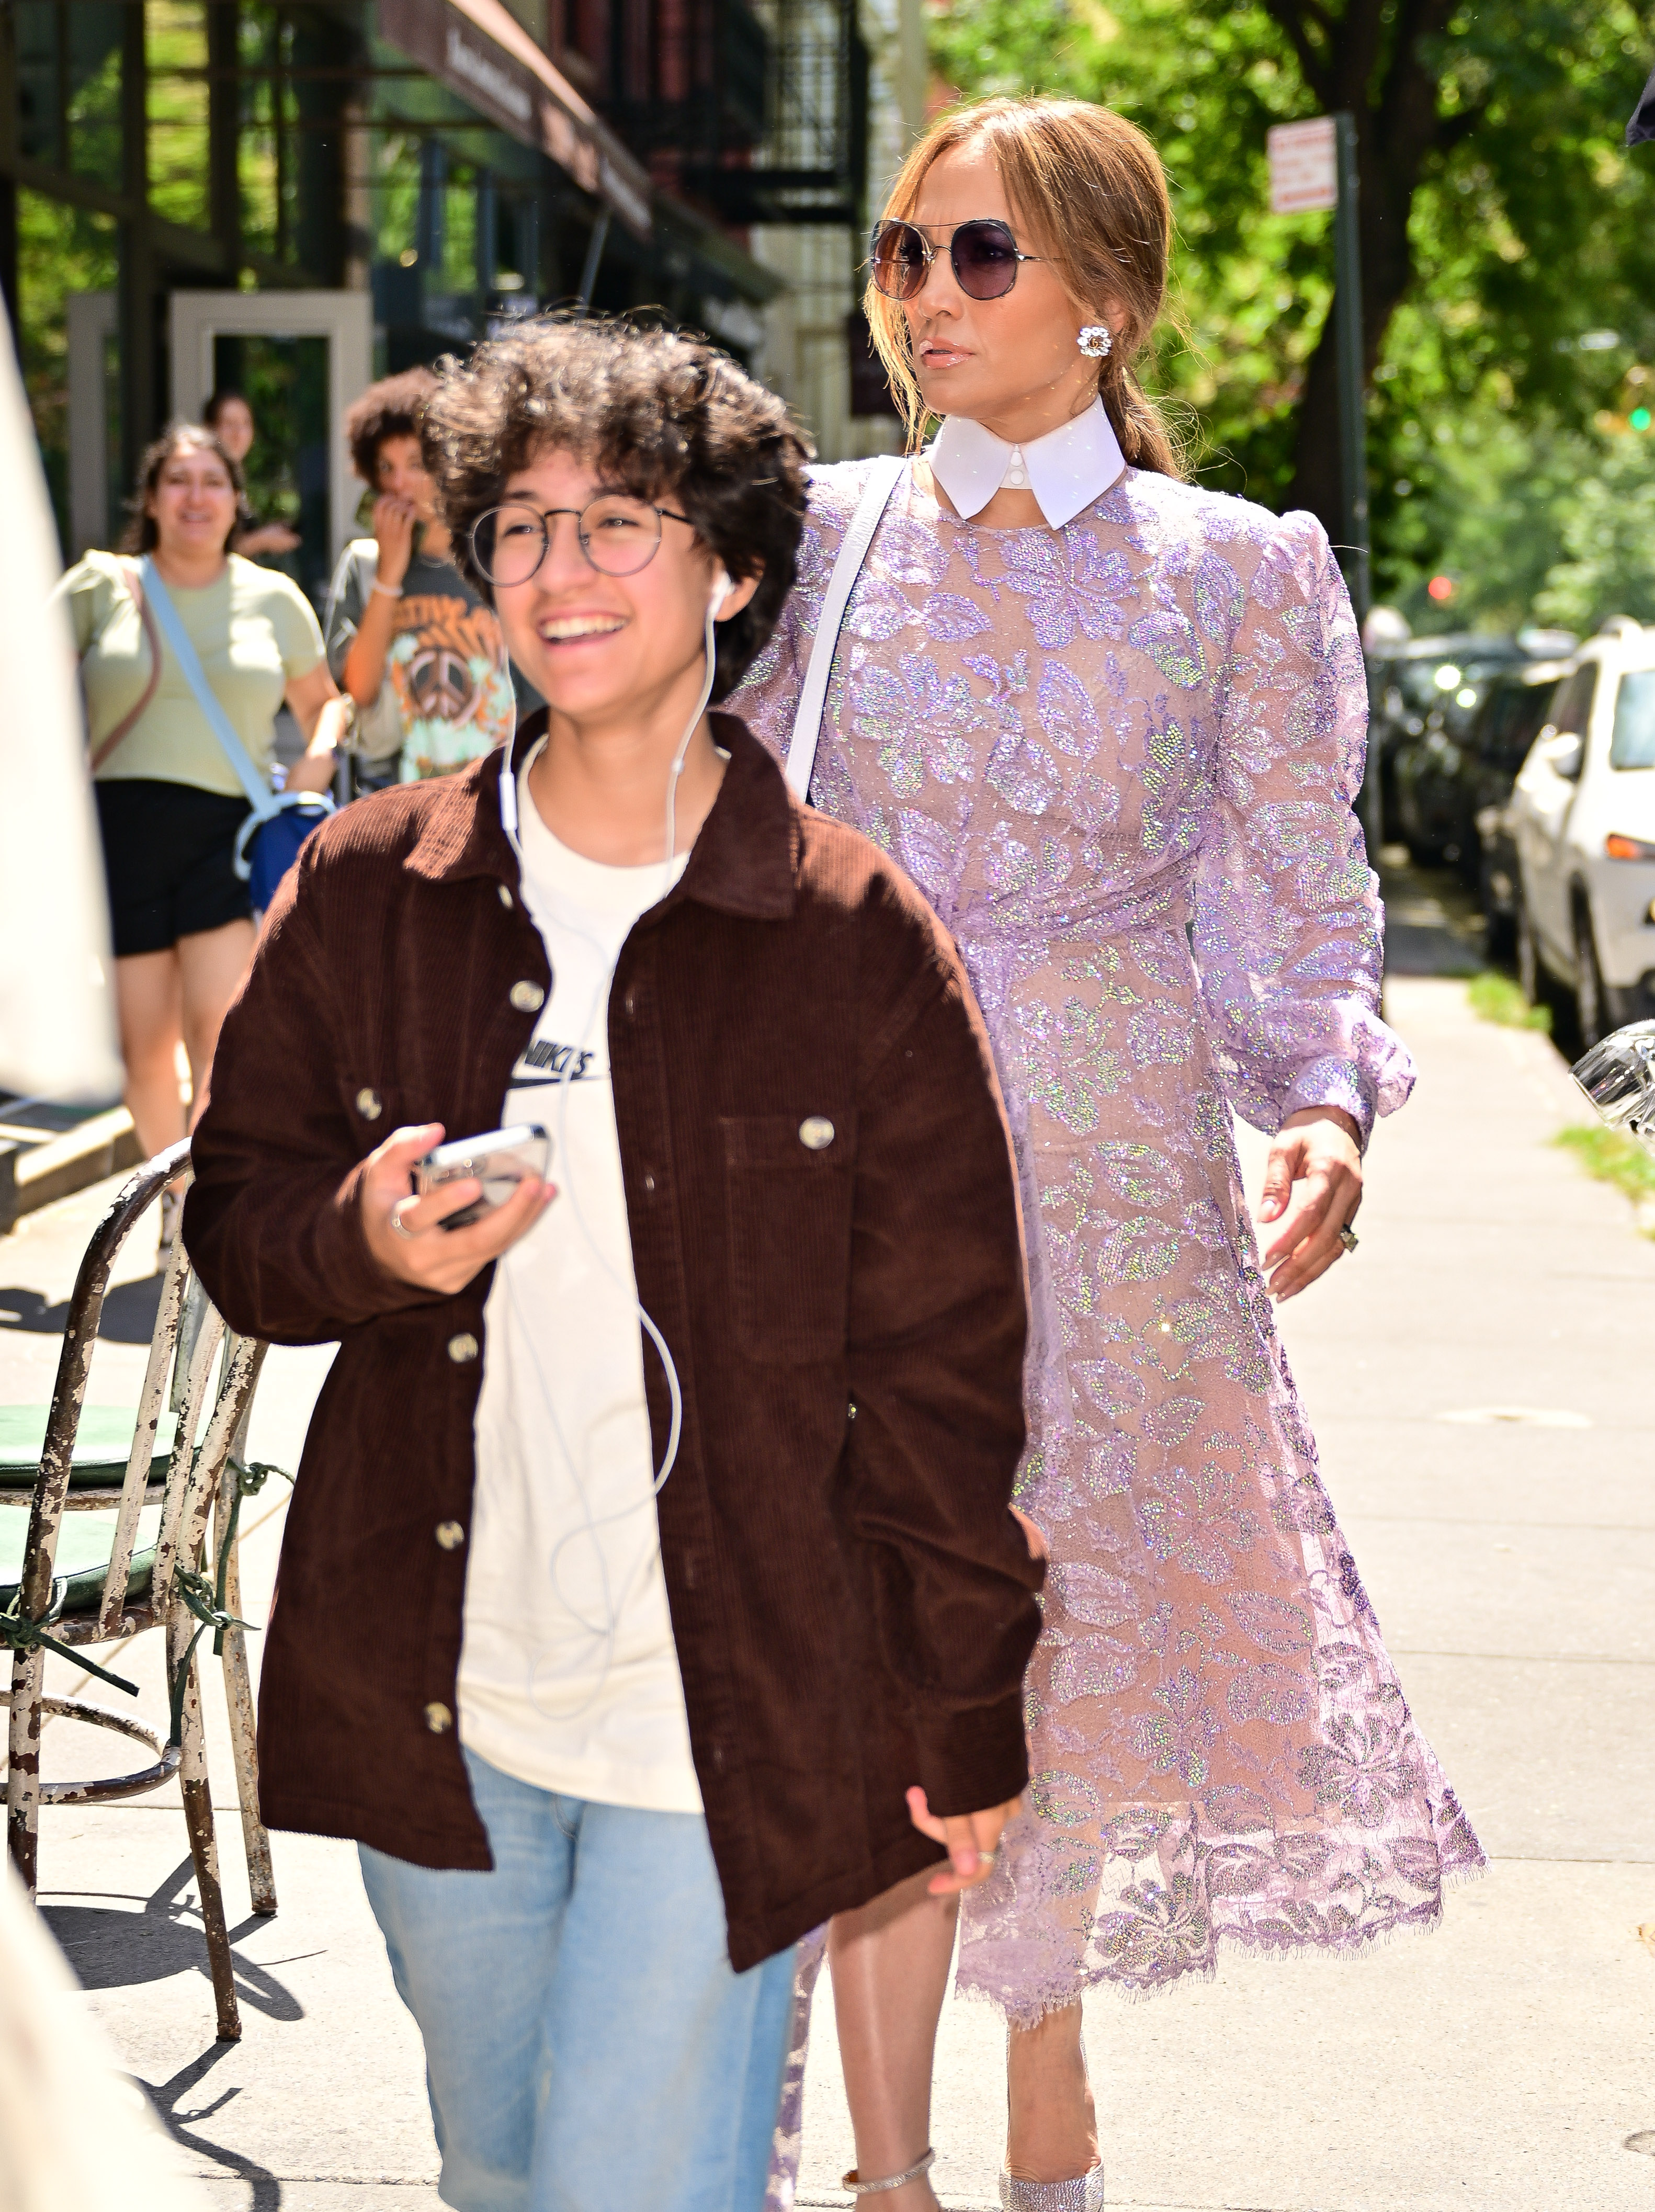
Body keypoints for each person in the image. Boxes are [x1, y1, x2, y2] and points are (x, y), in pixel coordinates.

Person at [184, 315, 1047, 2212]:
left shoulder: (847, 930)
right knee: (505, 2170)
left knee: (627, 2185)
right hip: (440, 1698)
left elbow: (943, 1359)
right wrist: (368, 1240)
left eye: (618, 524)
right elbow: (238, 1220)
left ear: (731, 564)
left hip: (730, 1702)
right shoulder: (369, 884)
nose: (557, 573)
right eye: (519, 529)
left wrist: (959, 1696)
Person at [732, 95, 1486, 2212]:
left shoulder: (1235, 570)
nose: (921, 298)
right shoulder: (812, 530)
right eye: (900, 253)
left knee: (1044, 1637)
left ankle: (1040, 2098)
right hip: (849, 1162)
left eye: (979, 257)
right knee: (852, 1617)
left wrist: (1325, 1109)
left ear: (1108, 301)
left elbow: (1294, 900)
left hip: (1113, 1177)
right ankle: (856, 2149)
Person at [59, 421, 346, 1262]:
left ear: (234, 501)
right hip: (120, 837)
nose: (194, 497)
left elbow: (324, 700)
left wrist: (318, 759)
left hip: (229, 837)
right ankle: (175, 1197)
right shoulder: (102, 583)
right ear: (150, 500)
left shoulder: (272, 596)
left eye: (211, 482)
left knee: (214, 1035)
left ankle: (205, 1201)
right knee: (143, 1049)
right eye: (176, 481)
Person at [323, 367, 520, 790]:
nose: (398, 483)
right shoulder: (363, 564)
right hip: (394, 792)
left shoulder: (499, 560)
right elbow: (359, 690)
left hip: (494, 792)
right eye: (386, 467)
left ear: (450, 465)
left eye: (416, 464)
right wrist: (389, 576)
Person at [202, 388, 304, 561]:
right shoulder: (203, 481)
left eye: (245, 424)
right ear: (209, 429)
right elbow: (206, 553)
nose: (239, 433)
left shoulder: (237, 479)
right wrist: (261, 541)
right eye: (229, 424)